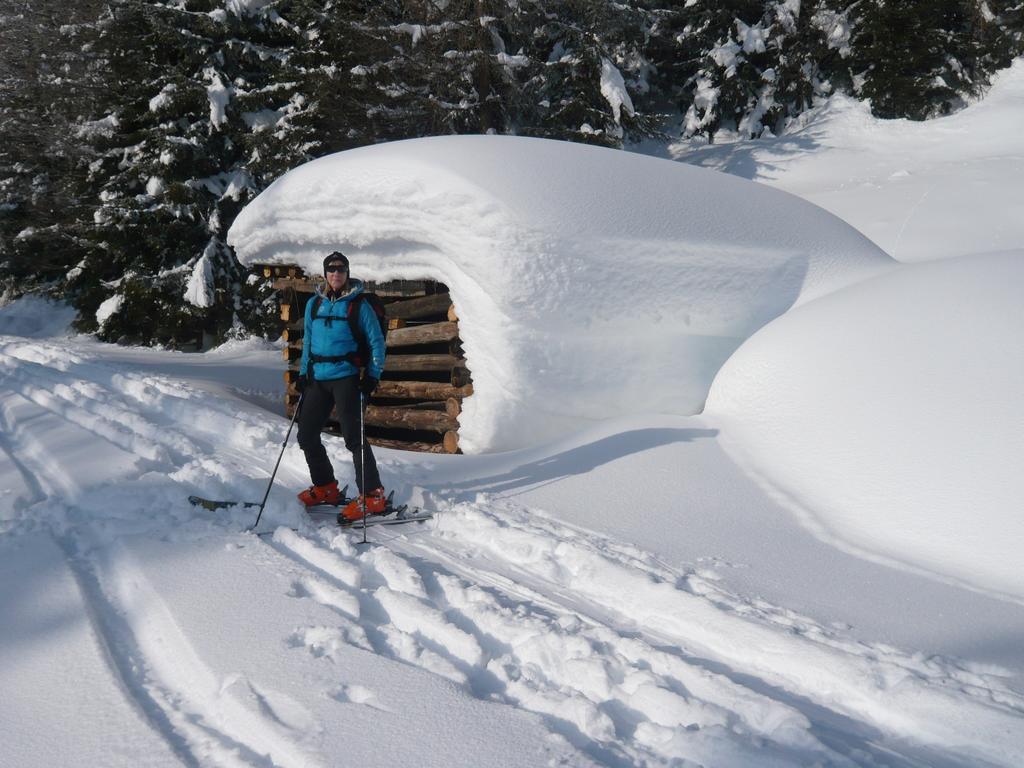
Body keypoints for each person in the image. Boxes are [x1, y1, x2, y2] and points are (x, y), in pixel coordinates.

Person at [295, 251, 388, 520]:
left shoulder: (358, 305)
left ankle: (373, 496)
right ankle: (325, 487)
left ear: (347, 273)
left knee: (354, 438)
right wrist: (303, 373)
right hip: (318, 378)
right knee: (306, 435)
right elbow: (308, 345)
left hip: (346, 378)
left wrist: (372, 375)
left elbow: (376, 343)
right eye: (331, 269)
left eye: (341, 269)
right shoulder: (314, 304)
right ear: (324, 273)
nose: (336, 274)